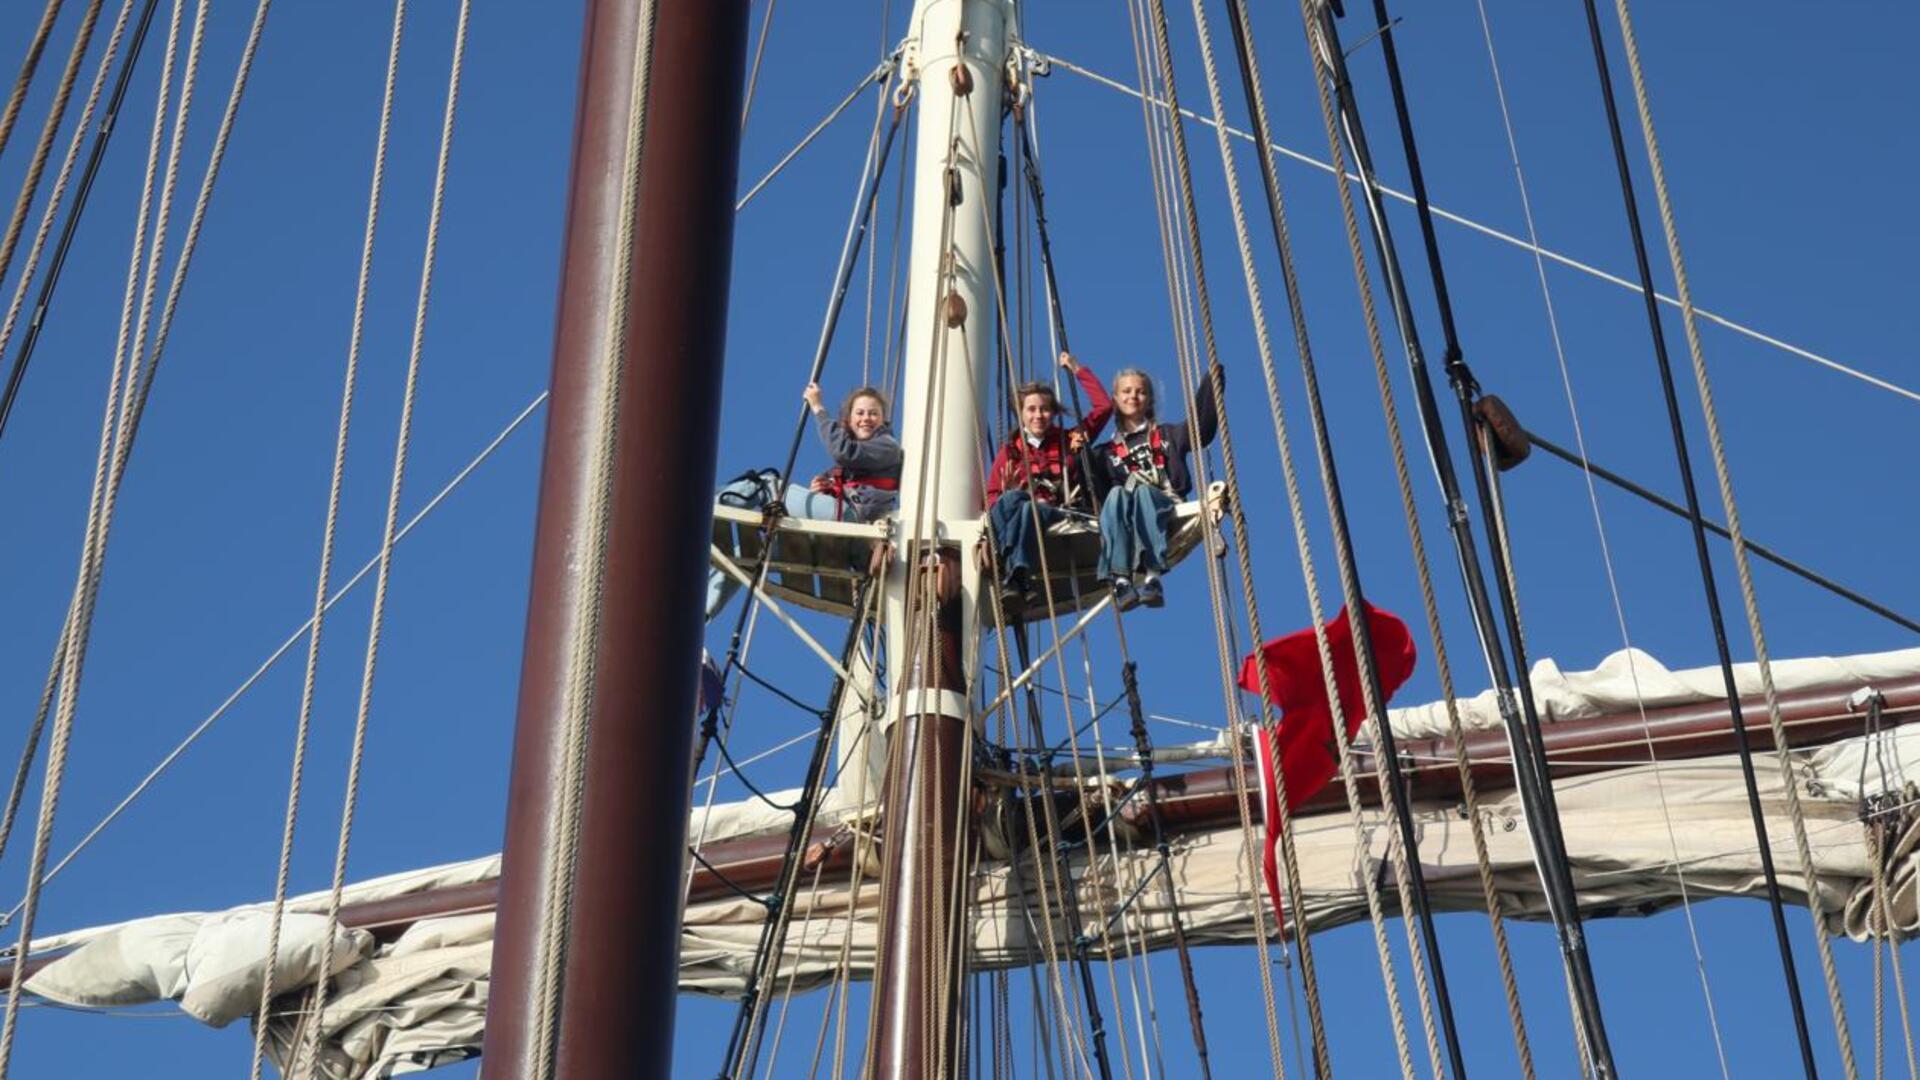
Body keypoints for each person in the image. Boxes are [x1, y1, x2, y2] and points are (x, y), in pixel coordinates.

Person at [707, 383, 901, 621]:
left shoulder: (887, 447)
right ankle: (700, 616)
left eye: (873, 413)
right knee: (745, 554)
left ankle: (704, 505)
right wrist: (819, 492)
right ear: (849, 420)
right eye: (859, 413)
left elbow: (843, 451)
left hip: (855, 529)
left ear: (883, 420)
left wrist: (818, 407)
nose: (866, 418)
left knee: (767, 484)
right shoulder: (851, 468)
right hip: (838, 537)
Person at [984, 352, 1112, 609]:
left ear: (1053, 412)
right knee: (1014, 499)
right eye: (1031, 409)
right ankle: (1015, 571)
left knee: (1029, 507)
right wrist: (1007, 493)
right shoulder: (1010, 452)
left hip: (1051, 511)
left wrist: (1077, 369)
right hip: (1007, 514)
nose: (1038, 415)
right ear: (1021, 414)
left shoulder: (1069, 441)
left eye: (1044, 409)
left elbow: (1104, 408)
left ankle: (1016, 574)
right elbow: (991, 497)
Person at [1089, 363, 1221, 610]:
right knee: (1116, 494)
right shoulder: (1103, 455)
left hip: (1163, 501)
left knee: (1144, 493)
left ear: (1149, 399)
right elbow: (1089, 485)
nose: (1133, 397)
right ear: (1115, 399)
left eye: (1140, 392)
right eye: (1126, 391)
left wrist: (1211, 384)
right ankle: (1121, 579)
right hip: (1127, 510)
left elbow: (1200, 430)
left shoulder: (1169, 434)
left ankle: (1152, 576)